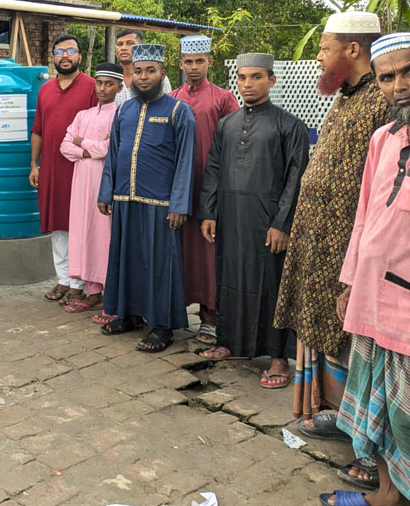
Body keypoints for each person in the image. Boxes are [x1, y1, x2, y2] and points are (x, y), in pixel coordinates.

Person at [273, 11, 389, 440]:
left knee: (346, 329)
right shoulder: (344, 95)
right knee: (319, 322)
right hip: (317, 235)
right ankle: (331, 409)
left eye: (324, 48)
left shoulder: (382, 100)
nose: (319, 57)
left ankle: (355, 423)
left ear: (353, 49)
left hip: (349, 242)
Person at [321, 32, 410, 506]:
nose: (400, 85)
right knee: (378, 404)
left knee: (407, 415)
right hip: (373, 296)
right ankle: (388, 496)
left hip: (407, 308)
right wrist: (350, 279)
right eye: (388, 77)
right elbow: (364, 216)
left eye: (408, 71)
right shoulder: (384, 138)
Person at [198, 53, 308, 389]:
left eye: (256, 77)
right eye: (243, 78)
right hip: (230, 219)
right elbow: (213, 169)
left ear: (271, 80)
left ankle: (278, 357)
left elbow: (296, 178)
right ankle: (231, 342)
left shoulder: (290, 125)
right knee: (230, 279)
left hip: (268, 223)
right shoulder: (227, 123)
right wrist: (209, 211)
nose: (248, 84)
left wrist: (283, 224)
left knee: (271, 286)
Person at [98, 43, 195, 353]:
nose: (143, 77)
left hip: (161, 205)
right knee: (126, 260)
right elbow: (113, 153)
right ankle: (128, 315)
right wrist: (106, 191)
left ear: (163, 74)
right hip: (125, 199)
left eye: (150, 71)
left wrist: (179, 204)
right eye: (138, 71)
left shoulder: (180, 111)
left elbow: (186, 161)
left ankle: (163, 326)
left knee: (159, 265)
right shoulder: (124, 109)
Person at [170, 35, 240, 346]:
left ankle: (210, 316)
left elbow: (237, 142)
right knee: (181, 249)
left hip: (213, 186)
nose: (194, 67)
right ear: (181, 63)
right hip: (179, 186)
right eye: (189, 61)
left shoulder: (224, 99)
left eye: (200, 61)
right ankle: (175, 311)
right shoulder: (171, 98)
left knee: (209, 251)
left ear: (209, 62)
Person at [30, 34, 98, 304]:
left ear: (80, 56)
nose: (65, 56)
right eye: (59, 52)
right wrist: (34, 164)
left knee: (79, 225)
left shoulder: (93, 87)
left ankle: (79, 282)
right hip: (51, 170)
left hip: (82, 169)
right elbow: (38, 130)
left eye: (71, 51)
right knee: (57, 227)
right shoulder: (45, 89)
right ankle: (62, 279)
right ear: (53, 57)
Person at [59, 62, 123, 315]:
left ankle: (112, 294)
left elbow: (109, 150)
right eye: (100, 83)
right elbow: (65, 146)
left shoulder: (120, 114)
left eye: (109, 84)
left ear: (119, 87)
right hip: (80, 184)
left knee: (103, 234)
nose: (103, 88)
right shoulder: (82, 115)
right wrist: (91, 148)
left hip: (105, 183)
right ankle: (93, 292)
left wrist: (81, 144)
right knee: (82, 231)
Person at [114, 29, 172, 106]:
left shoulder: (159, 79)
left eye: (130, 43)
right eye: (120, 44)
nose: (123, 48)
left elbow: (167, 106)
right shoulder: (110, 78)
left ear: (141, 47)